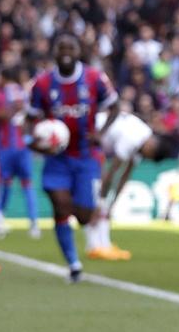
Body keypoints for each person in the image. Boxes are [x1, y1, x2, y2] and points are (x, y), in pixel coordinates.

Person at [27, 35, 120, 283]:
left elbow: (115, 106)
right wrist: (35, 141)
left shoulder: (94, 78)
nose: (66, 52)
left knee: (84, 215)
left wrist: (100, 133)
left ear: (79, 51)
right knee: (60, 205)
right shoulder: (42, 84)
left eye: (71, 47)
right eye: (61, 48)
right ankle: (73, 263)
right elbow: (30, 118)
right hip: (56, 160)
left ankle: (76, 233)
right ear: (54, 53)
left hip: (86, 158)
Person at [91, 107, 168, 260]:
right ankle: (96, 246)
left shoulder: (141, 140)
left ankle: (102, 245)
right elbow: (112, 172)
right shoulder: (133, 138)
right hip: (91, 134)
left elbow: (124, 176)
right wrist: (102, 200)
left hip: (99, 145)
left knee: (103, 208)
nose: (146, 157)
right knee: (96, 201)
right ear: (151, 146)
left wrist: (112, 204)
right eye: (149, 155)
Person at [0, 67, 40, 239]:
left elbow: (6, 114)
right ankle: (34, 223)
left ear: (4, 77)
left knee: (3, 184)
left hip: (5, 147)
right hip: (22, 146)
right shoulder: (23, 91)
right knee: (26, 184)